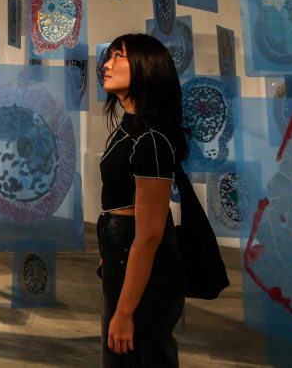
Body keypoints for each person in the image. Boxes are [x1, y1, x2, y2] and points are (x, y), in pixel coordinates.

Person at [97, 33, 187, 367]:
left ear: (145, 67)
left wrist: (123, 313)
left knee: (140, 352)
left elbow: (148, 236)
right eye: (109, 56)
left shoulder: (151, 138)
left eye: (118, 56)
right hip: (121, 251)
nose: (107, 65)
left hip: (138, 257)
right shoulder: (130, 127)